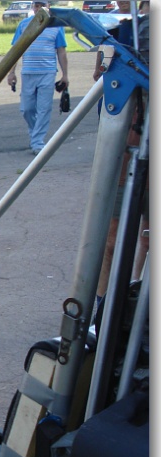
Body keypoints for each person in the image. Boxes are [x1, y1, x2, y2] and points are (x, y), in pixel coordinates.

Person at [93, 0, 150, 312]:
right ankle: (101, 309)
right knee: (112, 237)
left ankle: (136, 302)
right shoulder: (122, 30)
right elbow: (100, 75)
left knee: (148, 236)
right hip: (127, 145)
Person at [6, 0, 69, 155]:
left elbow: (61, 51)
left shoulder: (56, 26)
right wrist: (11, 72)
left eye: (42, 5)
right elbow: (16, 50)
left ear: (48, 7)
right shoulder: (24, 25)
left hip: (47, 72)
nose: (38, 8)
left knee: (44, 109)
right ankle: (35, 134)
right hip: (28, 72)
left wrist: (65, 75)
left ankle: (37, 142)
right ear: (32, 7)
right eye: (36, 5)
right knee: (26, 109)